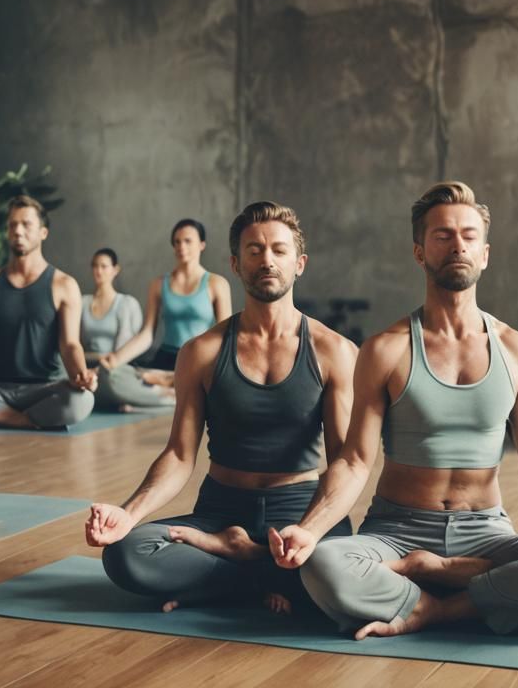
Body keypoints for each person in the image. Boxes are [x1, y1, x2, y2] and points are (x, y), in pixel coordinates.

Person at [271, 183, 518, 640]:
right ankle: (486, 600)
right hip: (396, 531)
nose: (457, 244)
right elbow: (355, 460)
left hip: (487, 532)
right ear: (420, 252)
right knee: (323, 563)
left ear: (484, 253)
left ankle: (430, 600)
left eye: (468, 235)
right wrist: (309, 528)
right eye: (442, 236)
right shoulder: (386, 349)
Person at [86, 202, 357, 612]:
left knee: (342, 569)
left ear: (299, 263)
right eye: (254, 250)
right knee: (126, 554)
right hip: (220, 511)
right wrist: (128, 513)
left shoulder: (334, 351)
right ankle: (260, 571)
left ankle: (232, 566)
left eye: (279, 251)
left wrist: (312, 530)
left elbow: (344, 462)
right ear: (235, 263)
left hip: (298, 509)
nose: (267, 260)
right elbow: (179, 454)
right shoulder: (202, 352)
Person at [0, 196, 96, 429]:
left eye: (26, 224)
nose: (18, 231)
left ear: (43, 232)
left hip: (45, 388)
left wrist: (81, 374)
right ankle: (26, 420)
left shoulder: (64, 285)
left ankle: (0, 417)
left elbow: (70, 345)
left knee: (82, 401)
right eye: (12, 225)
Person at [101, 219, 232, 379]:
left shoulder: (217, 284)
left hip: (200, 360)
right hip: (166, 360)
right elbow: (147, 334)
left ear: (202, 245)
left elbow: (225, 337)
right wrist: (115, 359)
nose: (181, 247)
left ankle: (172, 386)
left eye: (187, 241)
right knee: (123, 382)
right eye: (177, 242)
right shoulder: (158, 284)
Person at [80, 248, 167, 412]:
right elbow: (75, 346)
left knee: (113, 378)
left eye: (104, 266)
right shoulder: (82, 303)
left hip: (115, 368)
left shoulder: (126, 304)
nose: (98, 271)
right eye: (95, 266)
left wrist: (102, 367)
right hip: (86, 369)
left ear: (115, 270)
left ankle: (168, 398)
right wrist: (94, 361)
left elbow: (122, 353)